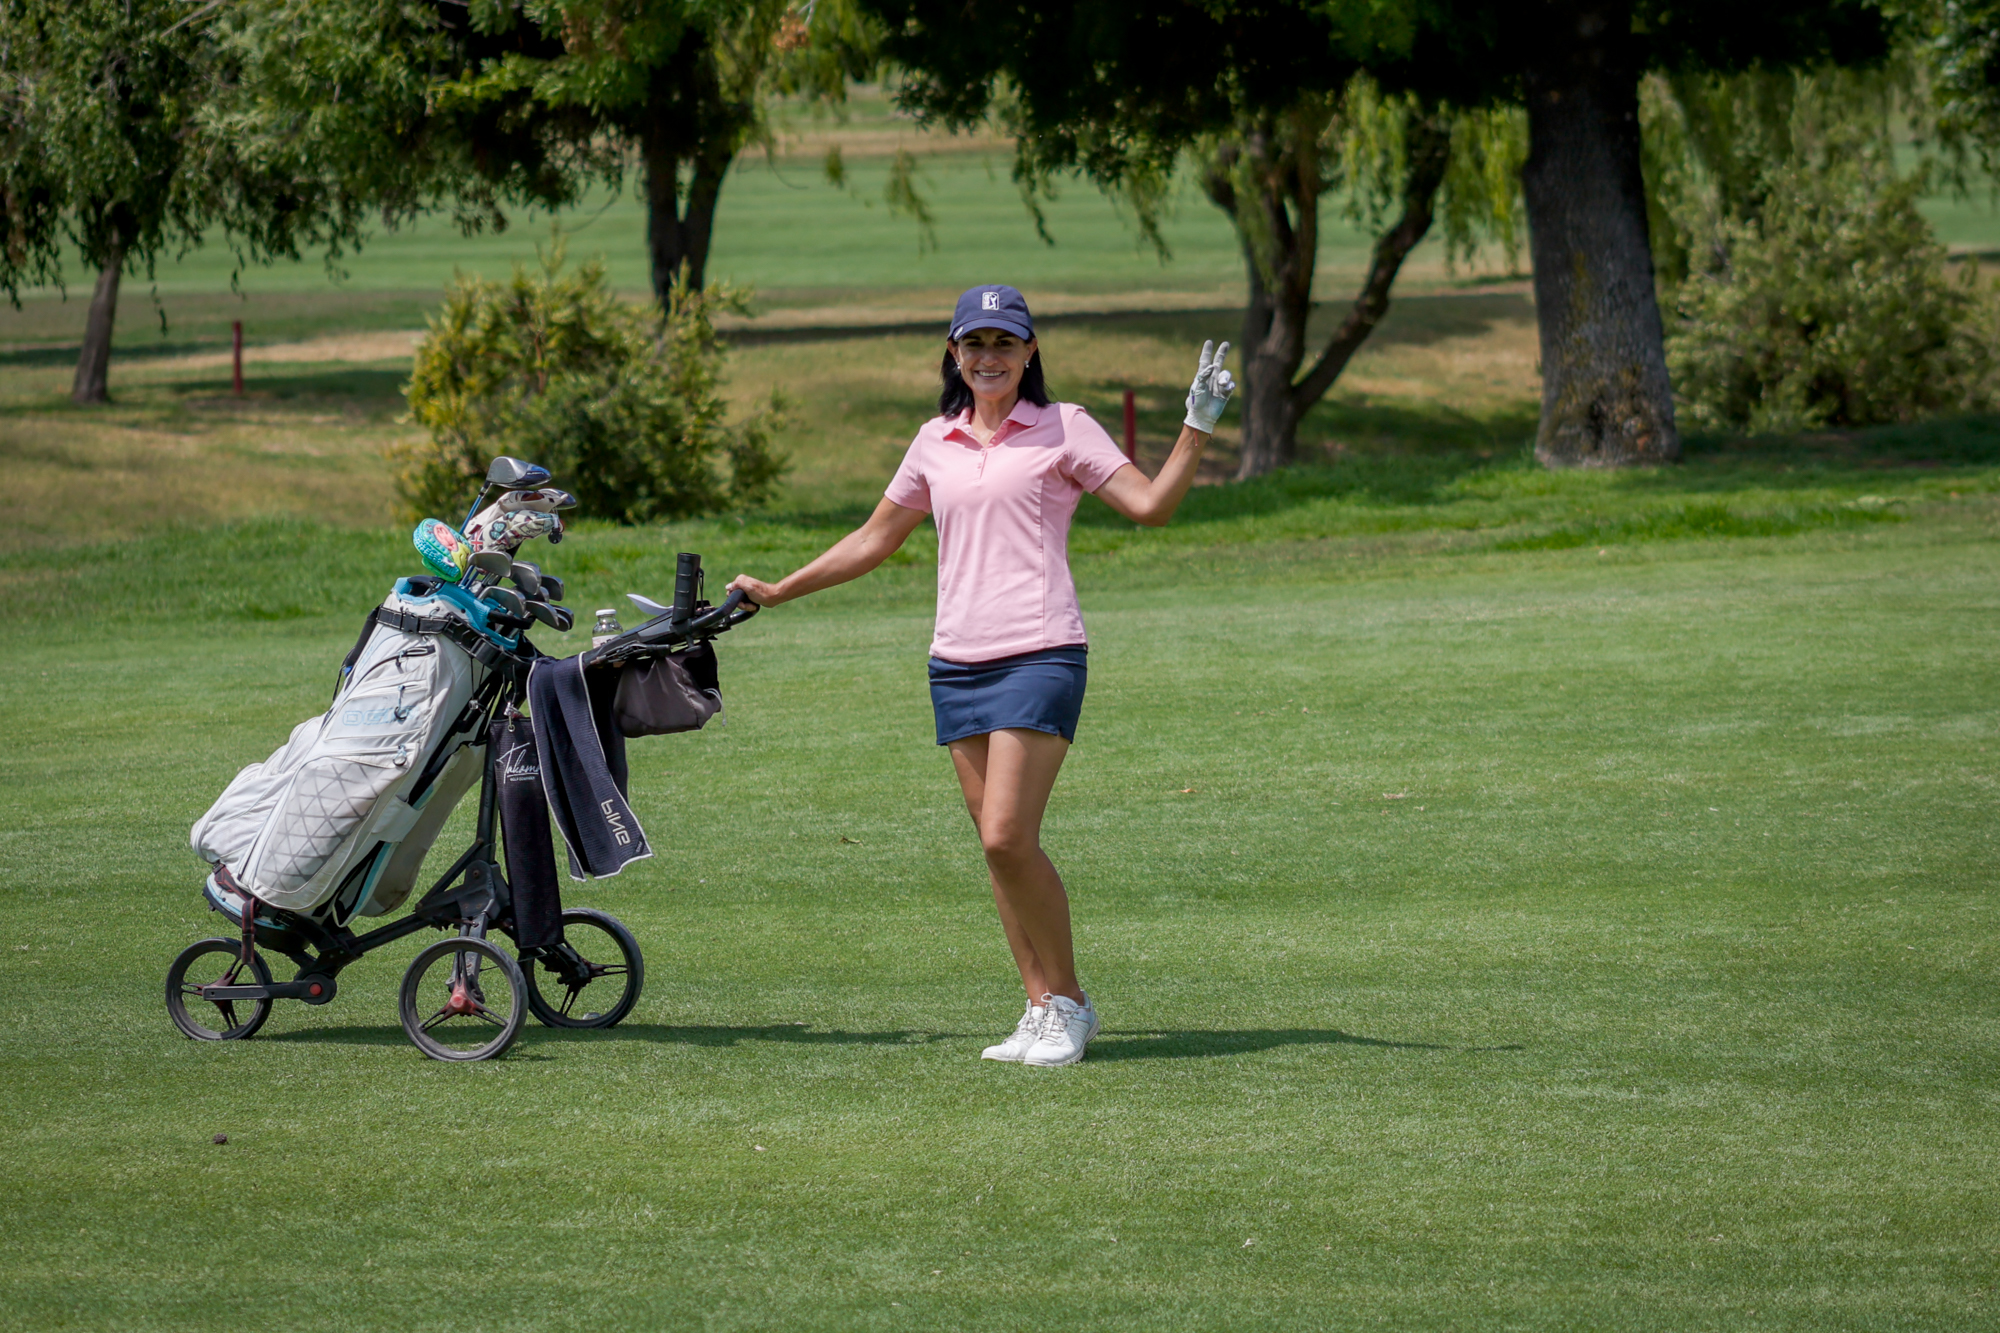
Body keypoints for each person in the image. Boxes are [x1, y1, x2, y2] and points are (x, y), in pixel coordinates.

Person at [727, 284, 1234, 1067]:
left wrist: (1197, 423)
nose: (989, 357)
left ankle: (1070, 1002)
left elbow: (1151, 507)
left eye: (1004, 342)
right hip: (955, 664)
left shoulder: (1065, 425)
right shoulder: (936, 439)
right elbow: (874, 538)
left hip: (1040, 652)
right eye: (975, 343)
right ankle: (1039, 1006)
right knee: (999, 851)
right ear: (954, 353)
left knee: (1006, 834)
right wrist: (781, 588)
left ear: (1030, 351)